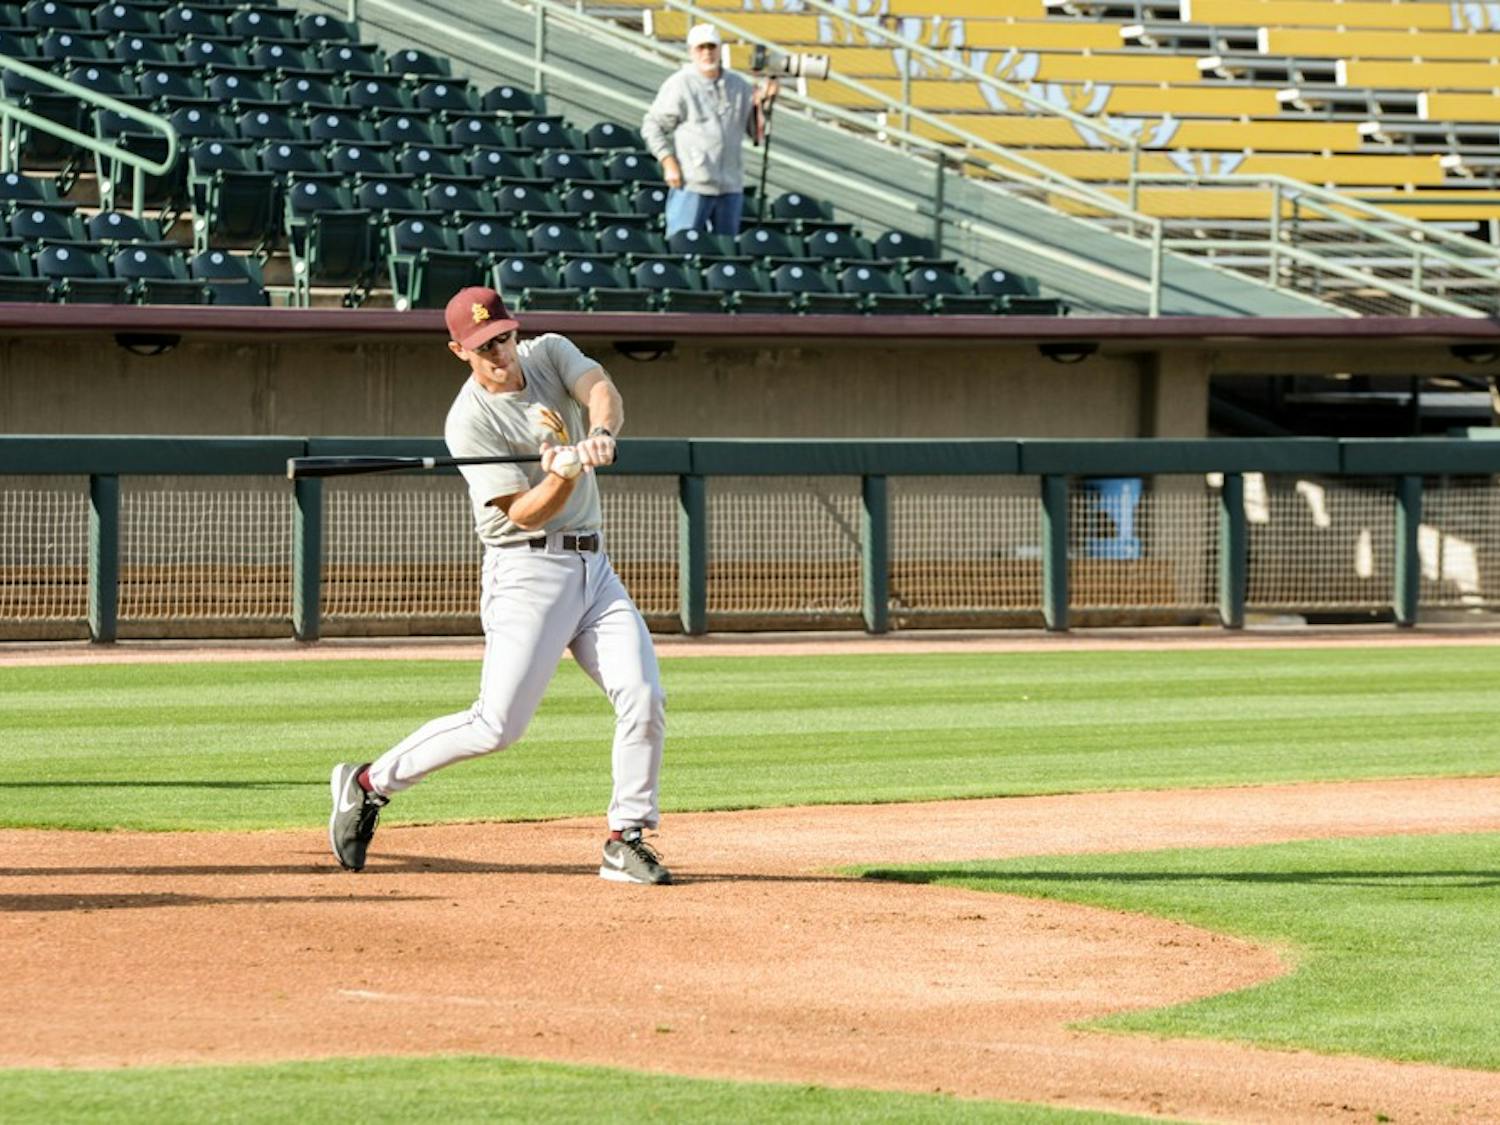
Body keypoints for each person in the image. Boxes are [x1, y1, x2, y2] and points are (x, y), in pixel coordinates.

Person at [328, 286, 670, 885]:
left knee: (643, 696)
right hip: (526, 570)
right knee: (497, 726)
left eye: (505, 337)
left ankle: (626, 836)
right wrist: (564, 472)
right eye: (485, 345)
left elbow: (599, 387)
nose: (501, 353)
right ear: (459, 349)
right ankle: (368, 784)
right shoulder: (469, 420)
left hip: (595, 568)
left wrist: (601, 433)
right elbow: (525, 513)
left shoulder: (547, 353)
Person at [641, 22, 778, 239]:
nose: (707, 53)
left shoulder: (738, 85)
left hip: (730, 186)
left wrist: (763, 104)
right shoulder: (680, 84)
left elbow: (756, 133)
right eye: (701, 48)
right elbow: (652, 125)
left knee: (725, 255)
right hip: (692, 182)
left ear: (720, 49)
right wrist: (668, 161)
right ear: (691, 51)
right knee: (683, 245)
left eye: (711, 47)